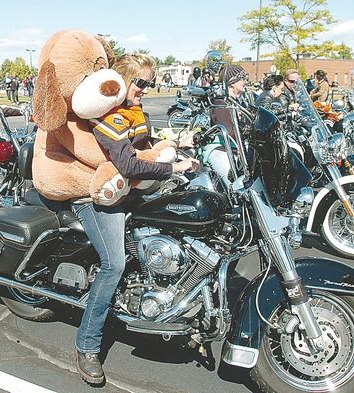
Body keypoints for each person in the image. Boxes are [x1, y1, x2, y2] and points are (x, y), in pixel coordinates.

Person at [73, 53, 199, 384]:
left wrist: (177, 143)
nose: (145, 88)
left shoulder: (132, 112)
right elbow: (128, 164)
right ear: (123, 81)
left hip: (123, 190)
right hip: (97, 194)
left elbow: (145, 144)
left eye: (148, 83)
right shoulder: (110, 117)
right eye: (140, 83)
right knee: (113, 263)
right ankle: (87, 346)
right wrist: (173, 167)